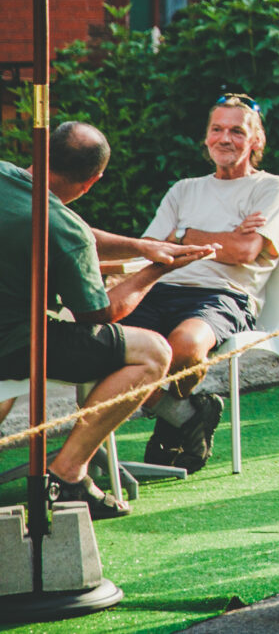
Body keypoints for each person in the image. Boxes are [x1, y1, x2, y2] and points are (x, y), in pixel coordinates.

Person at [0, 123, 215, 518]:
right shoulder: (65, 230)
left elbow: (63, 226)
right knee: (152, 351)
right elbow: (97, 316)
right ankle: (68, 473)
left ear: (41, 154)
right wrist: (155, 270)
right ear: (92, 182)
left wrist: (142, 246)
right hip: (12, 344)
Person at [130, 97, 279, 474]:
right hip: (162, 289)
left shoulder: (271, 187)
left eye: (237, 131)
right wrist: (219, 238)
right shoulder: (184, 189)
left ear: (256, 141)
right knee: (107, 346)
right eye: (217, 129)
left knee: (185, 348)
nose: (225, 139)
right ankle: (187, 416)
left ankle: (170, 423)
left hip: (224, 296)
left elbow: (243, 250)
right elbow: (153, 249)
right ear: (206, 139)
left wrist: (184, 233)